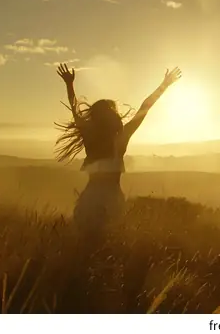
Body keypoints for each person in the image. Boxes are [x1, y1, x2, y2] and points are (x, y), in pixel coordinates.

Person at [54, 63, 182, 241]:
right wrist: (164, 85)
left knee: (84, 247)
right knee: (108, 245)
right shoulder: (121, 139)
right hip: (111, 199)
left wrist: (69, 84)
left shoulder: (89, 137)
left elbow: (75, 108)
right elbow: (146, 106)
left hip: (89, 199)